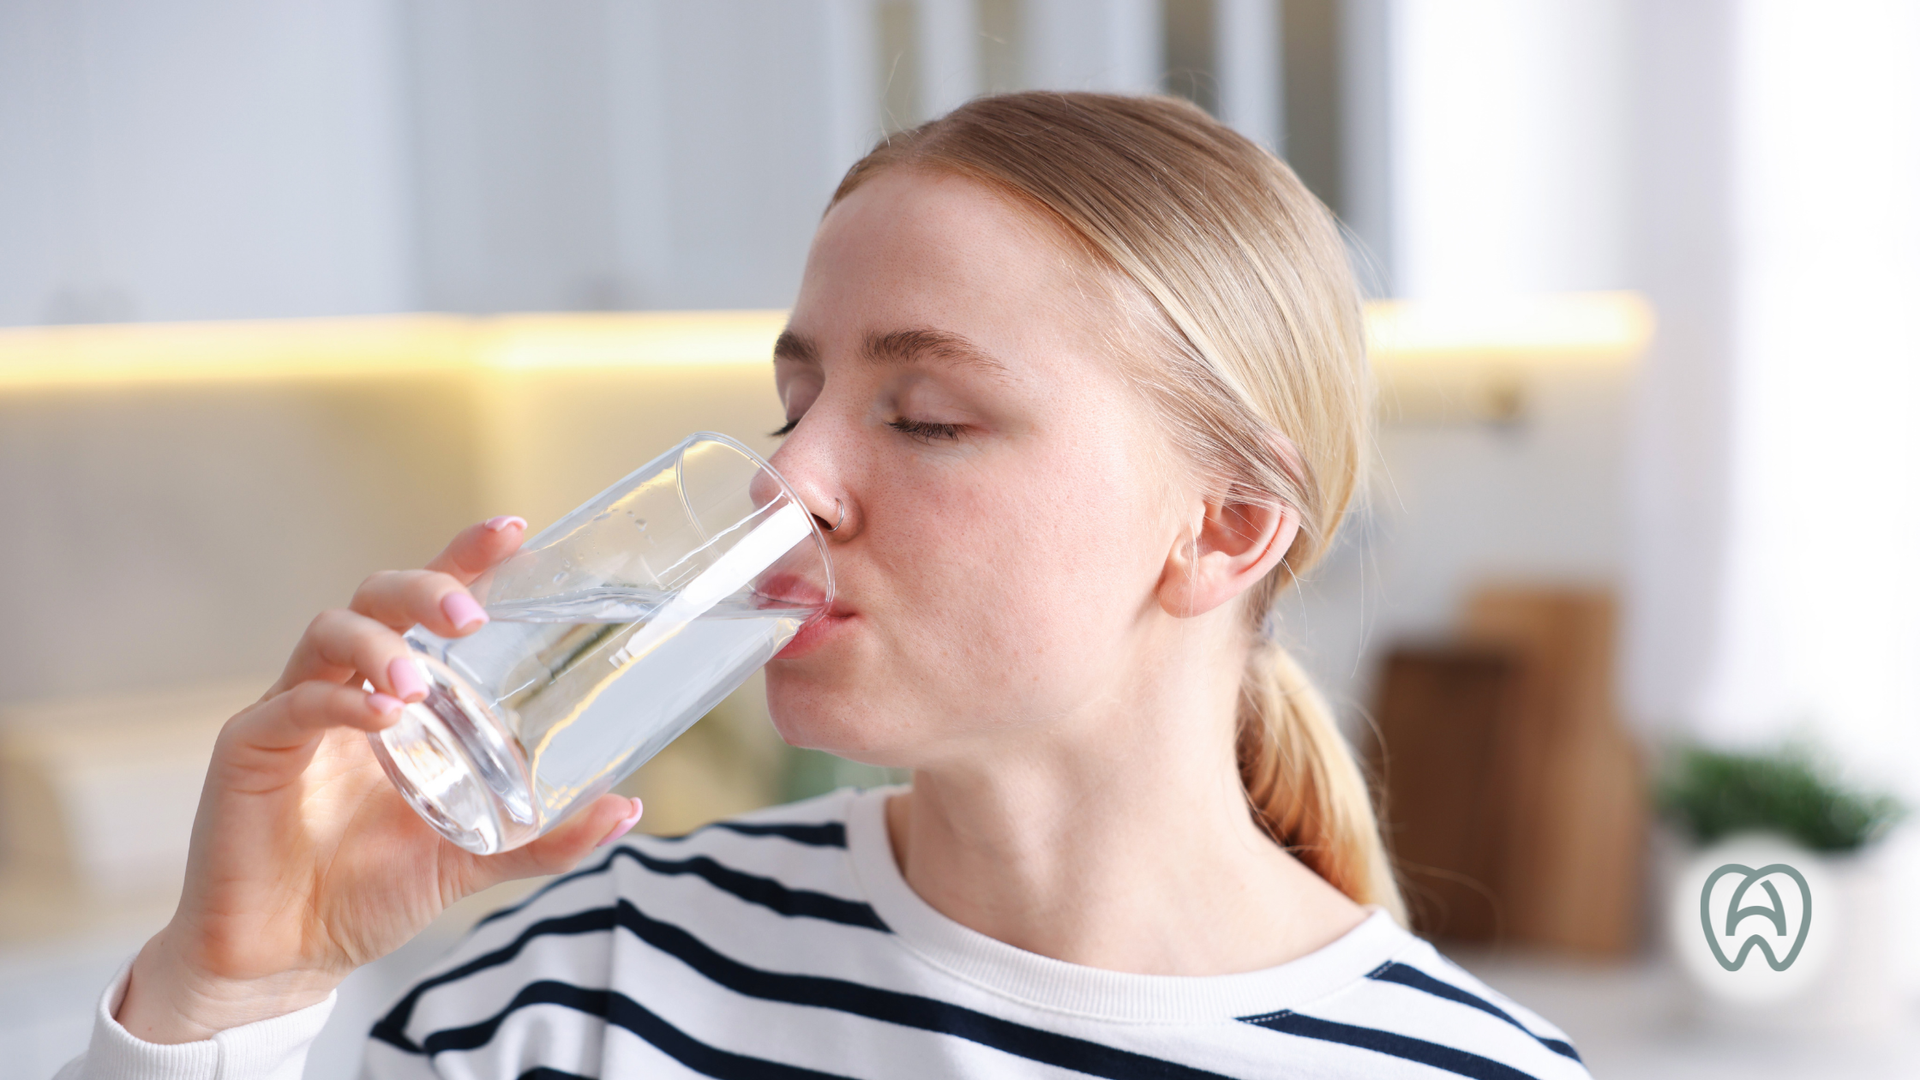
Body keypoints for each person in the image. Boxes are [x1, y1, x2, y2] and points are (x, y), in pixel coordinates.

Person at [61, 92, 1588, 1080]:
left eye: (927, 418)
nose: (784, 480)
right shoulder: (581, 986)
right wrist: (221, 995)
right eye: (796, 404)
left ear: (1229, 527)